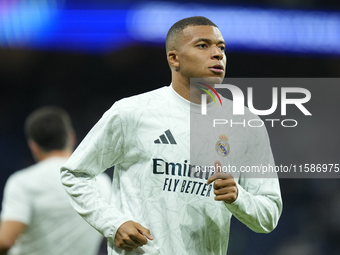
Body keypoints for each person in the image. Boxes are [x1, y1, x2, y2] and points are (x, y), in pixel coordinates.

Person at [60, 16, 282, 254]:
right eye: (203, 45)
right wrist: (113, 223)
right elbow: (75, 173)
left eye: (221, 47)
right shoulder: (132, 112)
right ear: (174, 58)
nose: (217, 54)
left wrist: (239, 197)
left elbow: (269, 215)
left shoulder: (247, 125)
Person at [0, 106, 111, 255]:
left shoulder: (23, 182)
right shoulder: (100, 181)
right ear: (71, 137)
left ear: (33, 146)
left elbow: (6, 241)